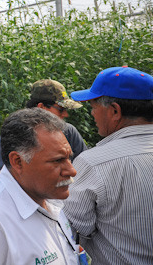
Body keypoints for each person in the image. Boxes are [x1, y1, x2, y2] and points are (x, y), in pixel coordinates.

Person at [0, 108, 80, 264]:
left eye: (69, 158)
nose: (71, 171)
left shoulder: (50, 199)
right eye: (57, 160)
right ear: (18, 162)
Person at [63, 66, 153, 265]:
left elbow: (71, 229)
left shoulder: (94, 163)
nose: (92, 113)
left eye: (94, 106)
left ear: (114, 111)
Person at [0, 79, 87, 176]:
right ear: (41, 107)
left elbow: (86, 168)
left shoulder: (68, 132)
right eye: (61, 109)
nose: (66, 114)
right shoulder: (15, 133)